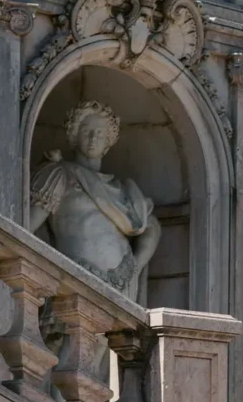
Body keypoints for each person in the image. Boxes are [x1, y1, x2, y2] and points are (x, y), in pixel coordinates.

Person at [30, 100, 161, 301]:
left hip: (121, 286)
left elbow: (151, 226)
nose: (93, 138)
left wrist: (136, 266)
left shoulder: (122, 188)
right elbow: (27, 227)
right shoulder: (59, 174)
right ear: (74, 135)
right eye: (86, 131)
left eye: (99, 133)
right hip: (74, 282)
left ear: (109, 140)